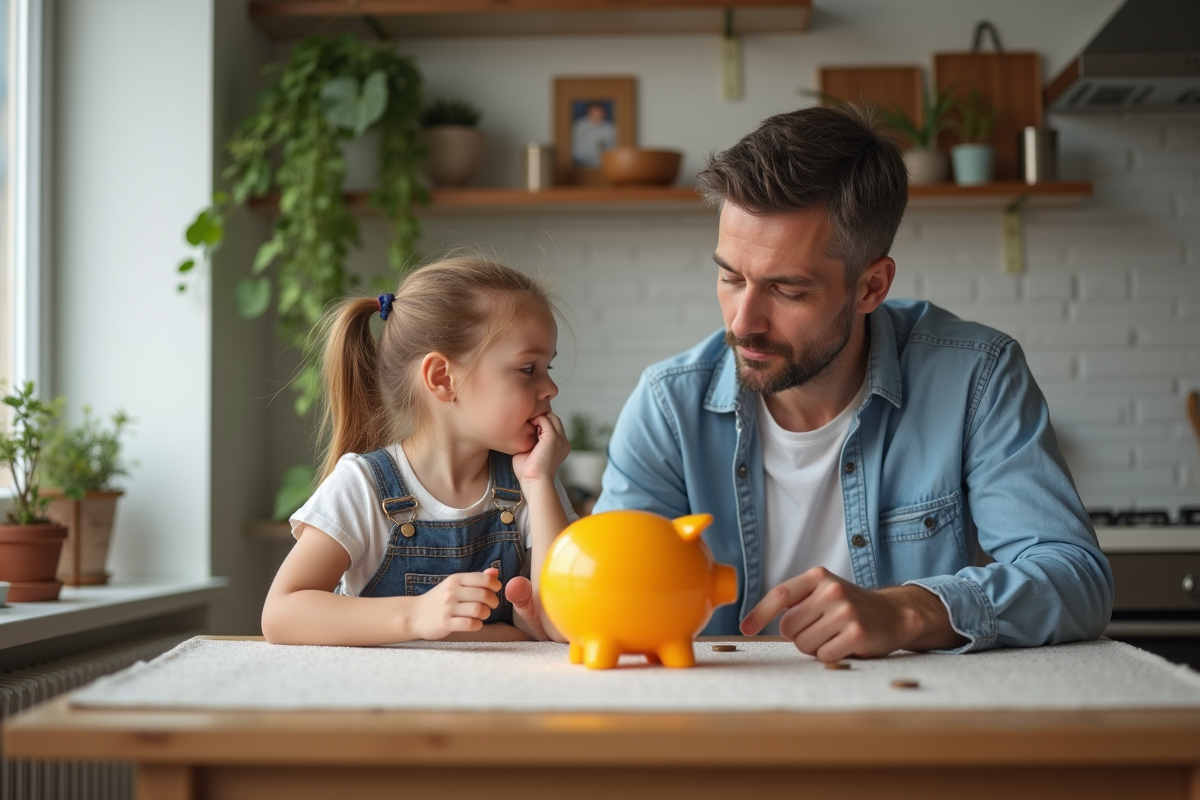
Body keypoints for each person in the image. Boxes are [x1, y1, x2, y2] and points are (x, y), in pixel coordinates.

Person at [591, 104, 1114, 661]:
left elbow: (1075, 579)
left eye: (787, 290)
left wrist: (909, 610)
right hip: (722, 722)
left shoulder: (975, 377)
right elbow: (604, 588)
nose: (743, 322)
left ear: (870, 287)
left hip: (909, 721)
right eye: (730, 276)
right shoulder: (669, 404)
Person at [262, 256, 574, 645]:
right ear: (443, 378)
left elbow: (568, 624)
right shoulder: (363, 486)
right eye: (529, 369)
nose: (551, 389)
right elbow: (281, 614)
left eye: (549, 368)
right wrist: (416, 616)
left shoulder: (533, 484)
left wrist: (539, 482)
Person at [571, 101, 616, 168]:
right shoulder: (579, 126)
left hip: (604, 164)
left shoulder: (610, 127)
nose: (597, 115)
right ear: (588, 113)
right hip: (582, 163)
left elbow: (613, 148)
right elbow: (575, 149)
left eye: (599, 112)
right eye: (594, 112)